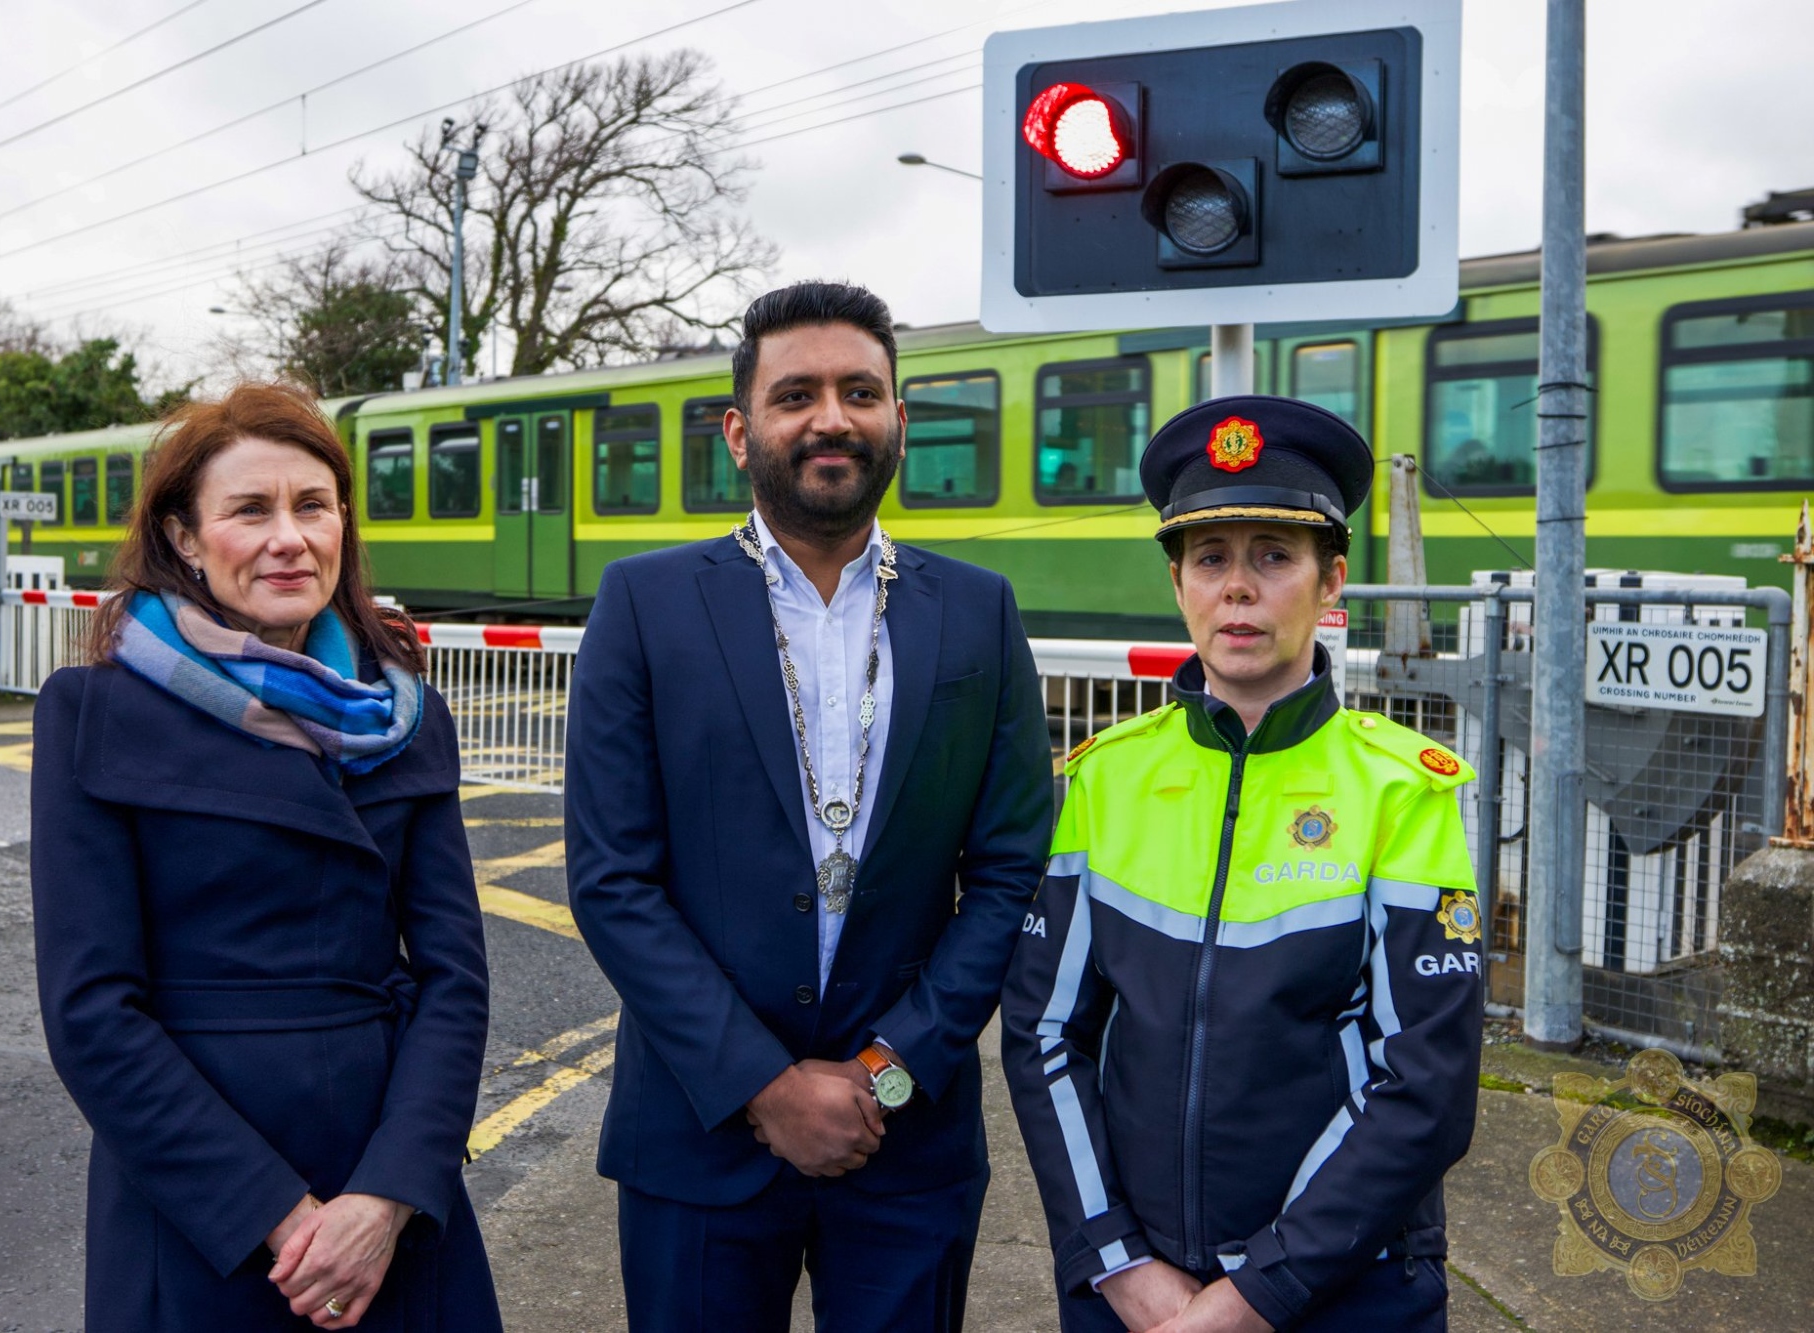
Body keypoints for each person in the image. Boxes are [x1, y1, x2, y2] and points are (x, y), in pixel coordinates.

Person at [564, 281, 1053, 1332]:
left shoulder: (978, 611)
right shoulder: (643, 604)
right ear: (741, 432)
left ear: (897, 422)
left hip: (905, 1142)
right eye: (796, 395)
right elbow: (611, 879)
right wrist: (764, 1086)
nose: (831, 418)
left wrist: (885, 1073)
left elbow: (1010, 869)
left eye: (859, 393)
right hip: (698, 1132)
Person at [1002, 397, 1484, 1333]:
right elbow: (1043, 1031)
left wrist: (1257, 1293)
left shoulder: (1402, 789)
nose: (1238, 588)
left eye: (1273, 556)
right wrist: (1115, 1260)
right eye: (1211, 558)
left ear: (1331, 580)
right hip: (1133, 1290)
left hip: (1345, 1291)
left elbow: (1425, 1081)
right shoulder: (1105, 779)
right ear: (1178, 581)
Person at [29, 383, 503, 1332]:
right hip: (204, 1205)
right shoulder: (94, 712)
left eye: (312, 505)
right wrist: (282, 1219)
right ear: (185, 538)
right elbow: (91, 1010)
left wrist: (387, 1196)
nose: (289, 537)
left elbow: (454, 977)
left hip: (388, 1184)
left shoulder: (405, 712)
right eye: (250, 510)